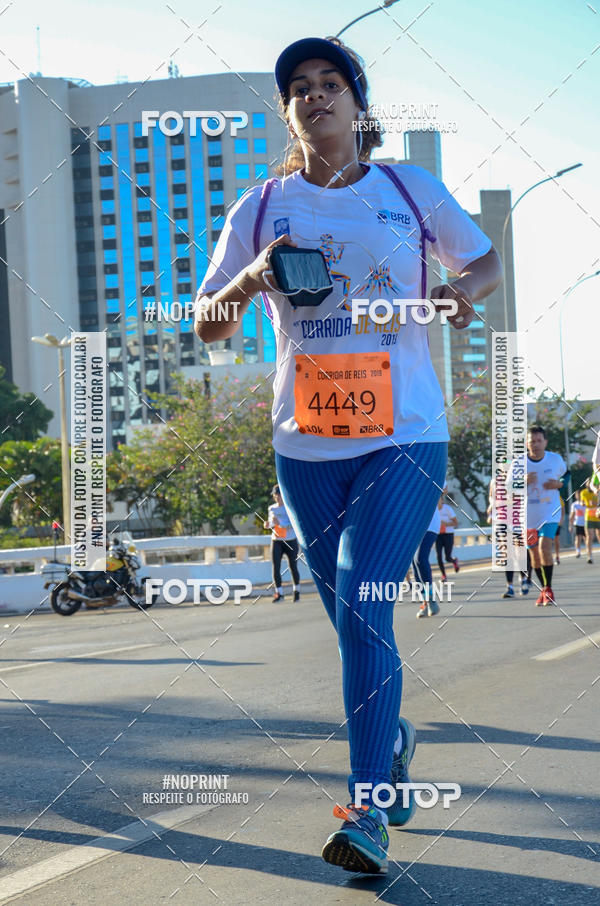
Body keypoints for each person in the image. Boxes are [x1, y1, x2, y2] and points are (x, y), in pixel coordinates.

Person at [195, 35, 501, 874]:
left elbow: (484, 260)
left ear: (359, 106)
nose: (316, 95)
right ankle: (392, 734)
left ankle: (367, 811)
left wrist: (457, 294)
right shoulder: (258, 208)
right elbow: (206, 325)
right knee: (352, 624)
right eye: (300, 87)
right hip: (307, 445)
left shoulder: (411, 189)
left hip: (405, 435)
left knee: (367, 608)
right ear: (288, 111)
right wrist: (253, 278)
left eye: (332, 83)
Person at [522, 425, 566, 606]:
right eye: (532, 441)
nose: (536, 444)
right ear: (526, 443)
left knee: (543, 548)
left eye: (539, 440)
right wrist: (521, 481)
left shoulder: (555, 459)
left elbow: (566, 476)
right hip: (528, 515)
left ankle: (548, 589)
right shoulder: (518, 463)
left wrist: (559, 484)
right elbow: (506, 488)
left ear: (545, 442)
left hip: (550, 512)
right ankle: (544, 589)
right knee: (534, 555)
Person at [263, 484, 301, 602]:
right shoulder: (272, 508)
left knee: (293, 566)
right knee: (276, 567)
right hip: (277, 540)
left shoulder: (290, 507)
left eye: (279, 495)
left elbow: (293, 524)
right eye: (275, 495)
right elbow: (272, 523)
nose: (277, 497)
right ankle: (279, 593)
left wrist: (281, 524)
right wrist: (268, 525)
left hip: (290, 540)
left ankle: (296, 591)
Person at [414, 495, 442, 618]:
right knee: (414, 563)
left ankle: (430, 599)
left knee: (420, 558)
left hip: (430, 523)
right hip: (413, 526)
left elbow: (440, 501)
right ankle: (425, 603)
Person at [436, 490, 459, 580]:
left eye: (439, 500)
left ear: (442, 500)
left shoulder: (447, 509)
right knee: (439, 556)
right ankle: (444, 575)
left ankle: (454, 561)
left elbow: (455, 523)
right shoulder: (433, 510)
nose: (437, 502)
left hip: (448, 534)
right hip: (438, 535)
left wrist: (445, 524)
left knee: (447, 557)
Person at [581, 477, 600, 564]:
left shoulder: (598, 491)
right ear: (586, 484)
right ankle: (589, 556)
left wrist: (595, 504)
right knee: (589, 536)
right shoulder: (583, 493)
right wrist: (583, 504)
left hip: (598, 516)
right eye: (588, 483)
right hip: (588, 517)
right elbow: (582, 502)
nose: (590, 484)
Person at [569, 490, 586, 559]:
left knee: (586, 538)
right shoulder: (574, 505)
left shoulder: (586, 503)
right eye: (577, 495)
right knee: (578, 538)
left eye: (579, 494)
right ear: (575, 496)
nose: (578, 496)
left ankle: (588, 551)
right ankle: (578, 551)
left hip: (585, 523)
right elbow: (572, 515)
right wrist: (570, 525)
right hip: (577, 523)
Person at [554, 497, 565, 564]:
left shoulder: (559, 498)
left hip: (556, 523)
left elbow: (563, 511)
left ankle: (557, 556)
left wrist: (560, 522)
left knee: (556, 540)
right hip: (544, 522)